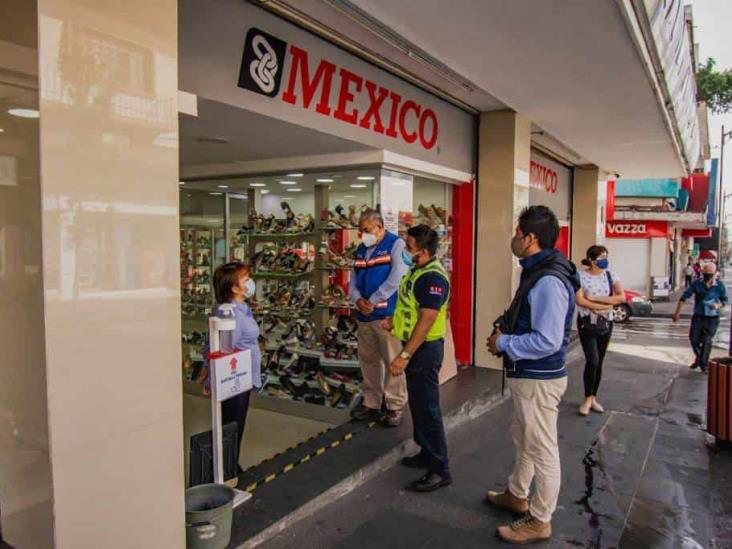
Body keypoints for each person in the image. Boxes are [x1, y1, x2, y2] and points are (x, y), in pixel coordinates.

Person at [485, 205, 579, 545]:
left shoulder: (549, 280)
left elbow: (549, 339)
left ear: (531, 238)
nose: (514, 238)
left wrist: (505, 342)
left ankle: (540, 520)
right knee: (524, 438)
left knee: (542, 448)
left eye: (518, 233)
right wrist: (504, 331)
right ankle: (516, 494)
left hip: (539, 377)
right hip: (529, 375)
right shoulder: (539, 271)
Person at [381, 224, 452, 492]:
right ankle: (426, 452)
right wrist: (394, 323)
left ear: (422, 251)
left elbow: (427, 319)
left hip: (424, 350)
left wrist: (405, 355)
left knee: (429, 409)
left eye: (409, 248)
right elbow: (410, 311)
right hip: (415, 346)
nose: (405, 252)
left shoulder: (432, 278)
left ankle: (440, 468)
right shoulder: (417, 271)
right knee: (420, 406)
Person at [348, 209, 409, 426]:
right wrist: (357, 299)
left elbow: (398, 276)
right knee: (368, 361)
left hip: (385, 316)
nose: (363, 234)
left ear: (380, 228)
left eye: (367, 229)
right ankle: (371, 403)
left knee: (393, 361)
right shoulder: (361, 250)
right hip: (364, 316)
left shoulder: (396, 245)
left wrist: (372, 300)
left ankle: (394, 406)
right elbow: (352, 279)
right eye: (360, 230)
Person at [210, 261, 261, 472]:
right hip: (235, 378)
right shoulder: (229, 313)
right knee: (232, 425)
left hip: (243, 377)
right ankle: (226, 469)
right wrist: (210, 376)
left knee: (235, 425)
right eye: (245, 279)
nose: (250, 282)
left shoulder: (242, 309)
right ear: (234, 287)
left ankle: (230, 465)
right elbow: (223, 349)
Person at [574, 245, 625, 416]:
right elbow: (580, 300)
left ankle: (593, 397)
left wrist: (596, 300)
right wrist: (602, 307)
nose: (605, 260)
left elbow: (621, 297)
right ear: (591, 259)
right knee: (593, 360)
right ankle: (587, 398)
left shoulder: (611, 274)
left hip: (606, 322)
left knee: (600, 360)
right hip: (587, 322)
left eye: (606, 256)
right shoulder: (580, 276)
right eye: (601, 257)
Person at [673, 262, 728, 373]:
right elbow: (684, 297)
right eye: (706, 273)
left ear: (715, 273)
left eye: (710, 273)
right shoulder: (697, 284)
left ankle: (704, 365)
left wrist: (717, 305)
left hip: (712, 318)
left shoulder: (720, 286)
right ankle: (700, 359)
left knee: (707, 340)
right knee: (694, 340)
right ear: (702, 272)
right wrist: (677, 313)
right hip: (698, 317)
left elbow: (725, 300)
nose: (708, 275)